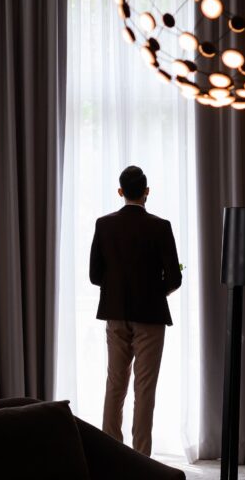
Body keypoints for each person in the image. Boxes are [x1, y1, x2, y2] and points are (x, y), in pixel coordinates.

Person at [89, 165, 182, 457]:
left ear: (120, 191)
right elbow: (175, 278)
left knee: (115, 385)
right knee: (145, 389)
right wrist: (156, 290)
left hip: (115, 313)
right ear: (147, 192)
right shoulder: (161, 226)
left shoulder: (103, 224)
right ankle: (141, 460)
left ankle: (110, 457)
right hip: (151, 316)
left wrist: (117, 288)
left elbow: (94, 275)